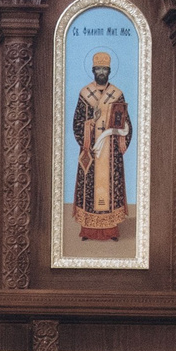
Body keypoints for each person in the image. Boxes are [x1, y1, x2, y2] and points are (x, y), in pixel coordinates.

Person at [71, 47, 131, 242]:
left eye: (105, 70)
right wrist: (89, 124)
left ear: (109, 71)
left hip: (111, 151)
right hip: (91, 150)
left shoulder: (117, 94)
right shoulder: (85, 94)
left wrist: (120, 131)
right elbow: (77, 123)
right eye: (98, 69)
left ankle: (111, 230)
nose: (101, 73)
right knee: (89, 188)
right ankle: (88, 230)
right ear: (93, 70)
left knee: (110, 189)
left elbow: (125, 122)